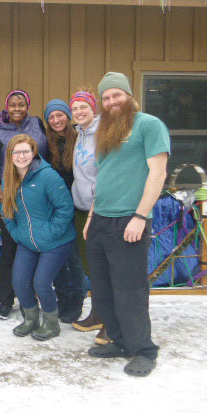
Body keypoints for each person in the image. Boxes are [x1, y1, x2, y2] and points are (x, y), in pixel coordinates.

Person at [84, 72, 169, 377]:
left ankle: (143, 349)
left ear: (129, 95)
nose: (111, 102)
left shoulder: (149, 125)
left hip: (129, 219)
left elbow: (157, 174)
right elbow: (104, 176)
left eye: (117, 95)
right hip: (101, 220)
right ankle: (118, 341)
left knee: (130, 289)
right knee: (103, 288)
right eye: (106, 98)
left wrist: (140, 216)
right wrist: (92, 216)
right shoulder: (105, 131)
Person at [1, 134, 75, 341]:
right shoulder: (9, 178)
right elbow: (6, 211)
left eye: (26, 151)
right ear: (11, 155)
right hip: (27, 241)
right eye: (17, 152)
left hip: (56, 241)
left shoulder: (47, 176)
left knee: (41, 283)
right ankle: (31, 318)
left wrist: (51, 232)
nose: (21, 156)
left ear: (34, 153)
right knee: (19, 281)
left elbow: (65, 207)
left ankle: (52, 324)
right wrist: (18, 234)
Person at [0, 89, 48, 319]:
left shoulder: (38, 125)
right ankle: (5, 300)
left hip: (35, 196)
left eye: (21, 104)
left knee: (32, 249)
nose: (17, 109)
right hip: (10, 200)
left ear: (28, 105)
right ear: (6, 107)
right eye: (12, 105)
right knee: (10, 252)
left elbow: (47, 156)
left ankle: (27, 300)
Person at [68, 90, 108, 344]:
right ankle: (98, 313)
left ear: (93, 108)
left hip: (99, 210)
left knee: (102, 266)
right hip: (80, 208)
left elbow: (105, 174)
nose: (79, 112)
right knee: (90, 265)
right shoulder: (80, 134)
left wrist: (95, 206)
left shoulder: (102, 135)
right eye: (76, 108)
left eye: (84, 107)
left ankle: (107, 316)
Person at [43, 99, 86, 324]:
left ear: (68, 116)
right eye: (51, 117)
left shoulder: (79, 140)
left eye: (60, 115)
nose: (56, 120)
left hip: (77, 206)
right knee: (58, 256)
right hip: (54, 209)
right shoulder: (45, 143)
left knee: (76, 258)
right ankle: (62, 298)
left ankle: (77, 298)